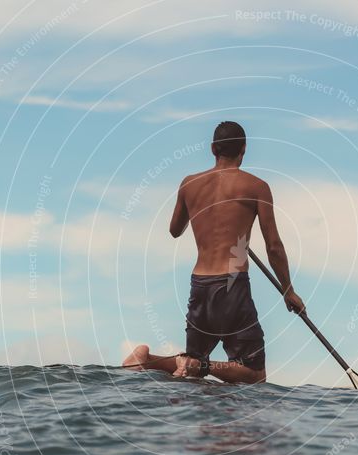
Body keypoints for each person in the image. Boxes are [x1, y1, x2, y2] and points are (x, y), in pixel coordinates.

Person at [122, 121, 305, 383]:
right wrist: (288, 290)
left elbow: (175, 230)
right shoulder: (256, 187)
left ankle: (147, 359)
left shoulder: (189, 184)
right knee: (253, 373)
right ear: (244, 149)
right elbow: (273, 246)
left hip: (200, 284)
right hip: (232, 284)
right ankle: (202, 367)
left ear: (212, 149)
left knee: (189, 370)